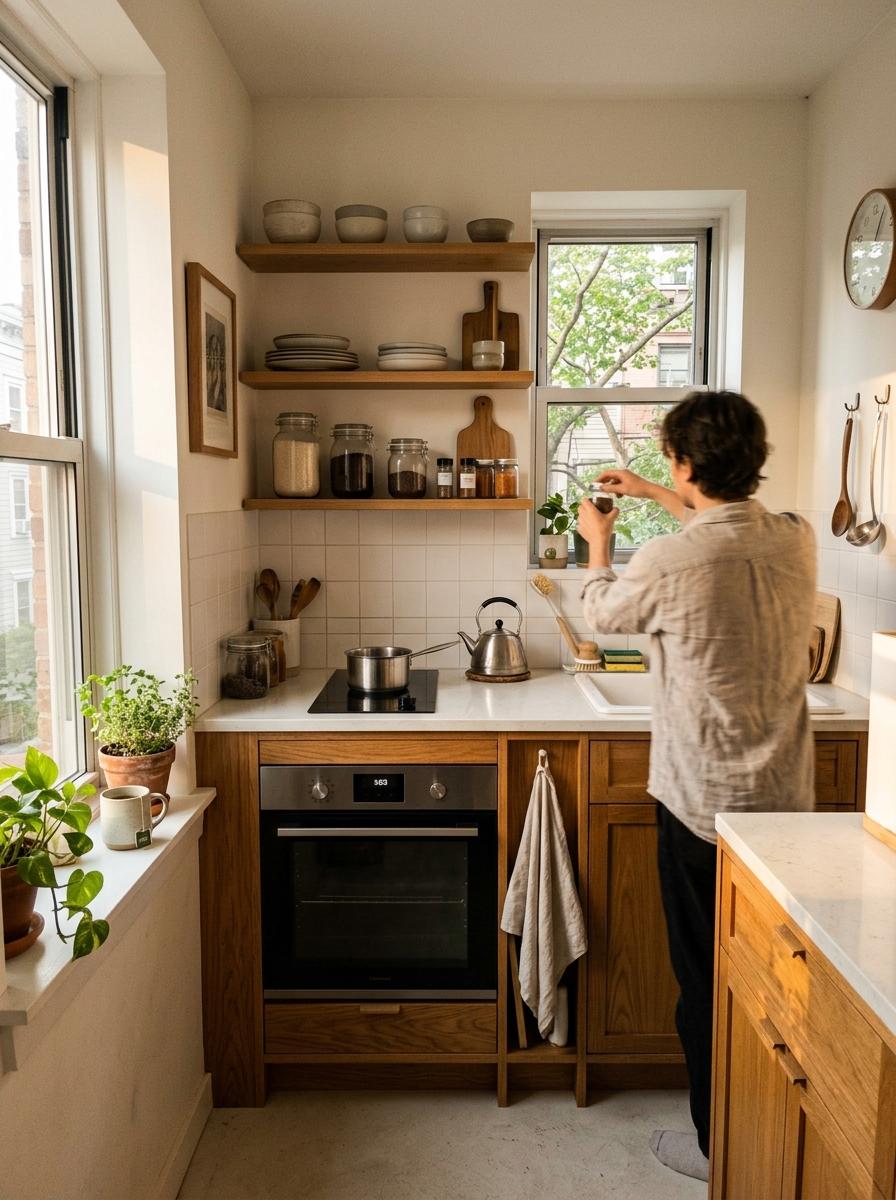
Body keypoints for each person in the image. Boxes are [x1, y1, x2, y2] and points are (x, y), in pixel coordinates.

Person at [575, 390, 815, 1184]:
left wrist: (597, 543)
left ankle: (719, 1152)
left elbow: (605, 616)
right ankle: (764, 1135)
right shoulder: (794, 539)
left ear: (683, 462)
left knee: (705, 984)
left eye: (671, 466)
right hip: (787, 806)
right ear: (753, 460)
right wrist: (655, 493)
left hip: (703, 808)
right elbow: (721, 528)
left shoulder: (670, 559)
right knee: (771, 988)